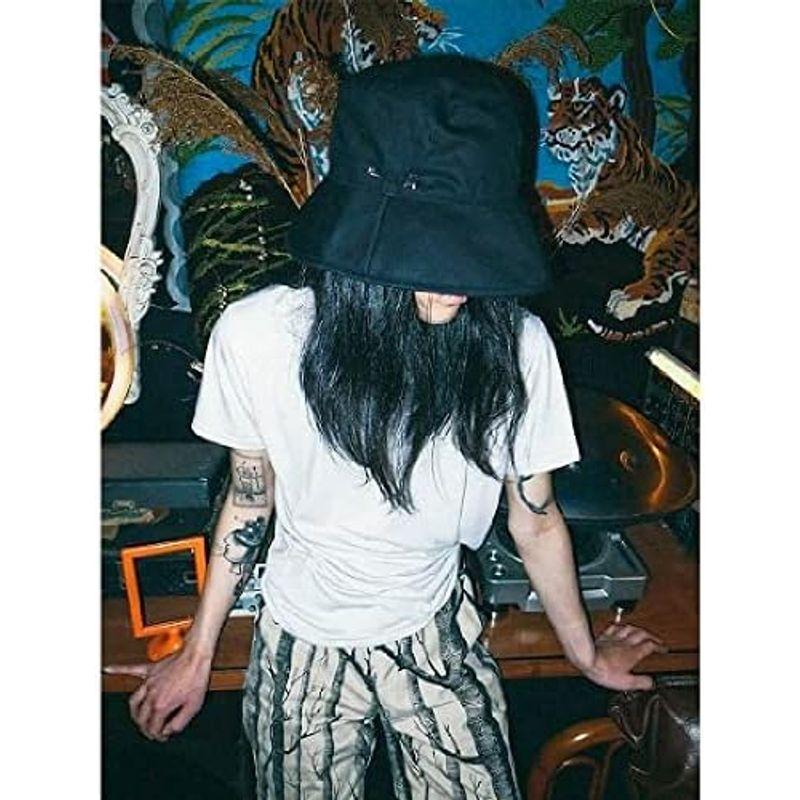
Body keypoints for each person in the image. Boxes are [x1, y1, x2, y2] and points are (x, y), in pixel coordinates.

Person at [106, 55, 666, 800]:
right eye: (435, 252)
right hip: (300, 633)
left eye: (477, 245)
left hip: (436, 624)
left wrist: (586, 652)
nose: (463, 280)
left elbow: (534, 521)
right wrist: (198, 651)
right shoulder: (258, 335)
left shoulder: (514, 343)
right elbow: (248, 500)